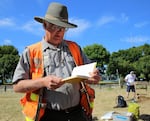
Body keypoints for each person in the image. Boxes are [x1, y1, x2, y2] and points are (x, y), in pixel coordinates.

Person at [12, 2, 100, 121]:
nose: (59, 32)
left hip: (78, 114)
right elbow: (17, 86)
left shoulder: (75, 48)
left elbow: (88, 76)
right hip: (47, 115)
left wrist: (93, 77)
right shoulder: (31, 51)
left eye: (63, 28)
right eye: (54, 26)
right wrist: (43, 82)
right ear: (44, 25)